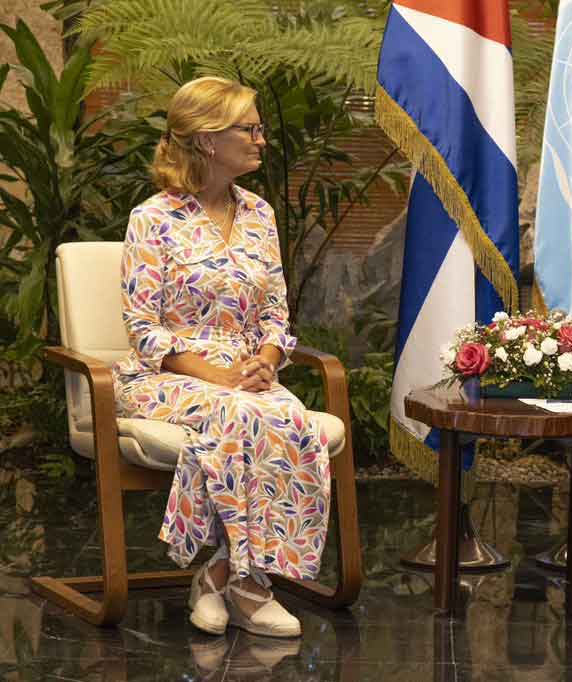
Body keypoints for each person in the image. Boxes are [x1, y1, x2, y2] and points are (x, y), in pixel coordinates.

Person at [113, 76, 331, 638]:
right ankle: (250, 585)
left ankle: (221, 575)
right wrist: (218, 377)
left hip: (245, 373)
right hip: (166, 375)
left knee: (291, 417)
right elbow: (143, 329)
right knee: (239, 413)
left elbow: (276, 314)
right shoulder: (153, 219)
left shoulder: (259, 214)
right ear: (209, 140)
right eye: (249, 129)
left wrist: (267, 359)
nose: (262, 140)